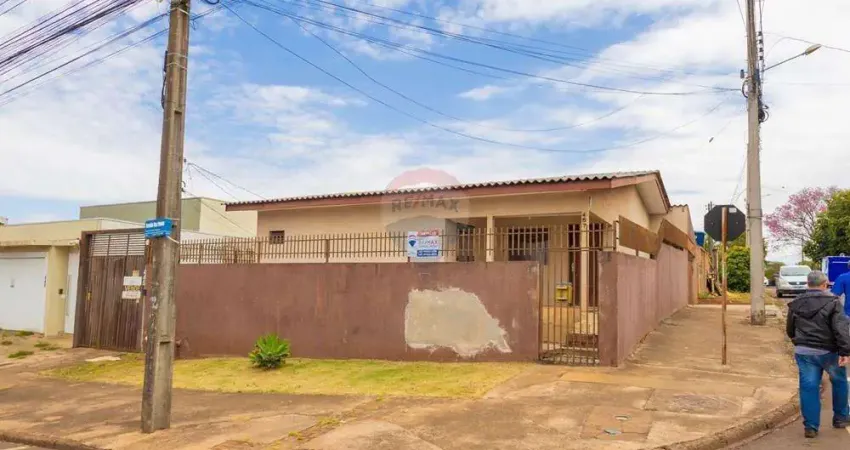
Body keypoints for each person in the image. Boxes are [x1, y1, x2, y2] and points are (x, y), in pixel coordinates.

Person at [786, 270, 850, 438]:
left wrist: (799, 342)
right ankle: (841, 418)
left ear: (808, 284)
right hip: (830, 351)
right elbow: (840, 328)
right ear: (825, 284)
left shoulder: (796, 303)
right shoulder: (834, 302)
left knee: (809, 387)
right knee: (840, 381)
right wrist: (845, 351)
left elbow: (790, 329)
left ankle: (811, 427)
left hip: (804, 352)